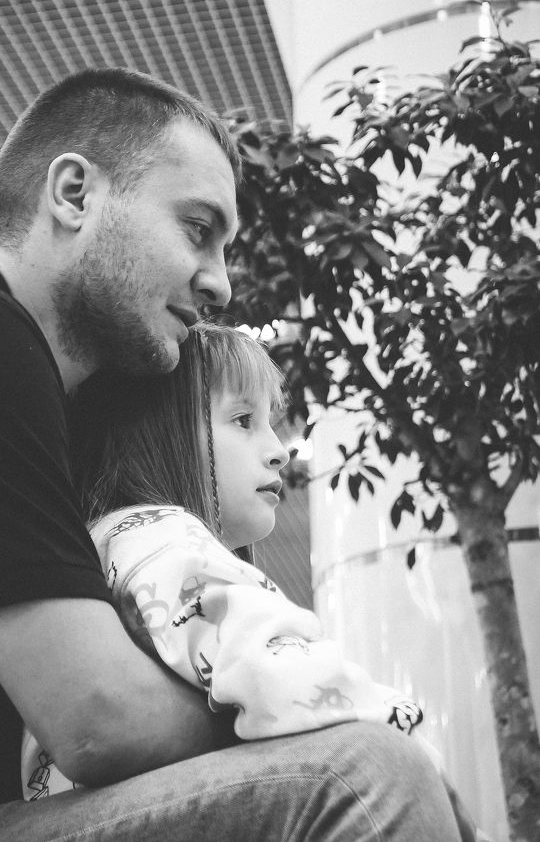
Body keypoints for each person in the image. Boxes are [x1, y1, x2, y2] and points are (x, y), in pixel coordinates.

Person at [0, 66, 467, 842]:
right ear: (74, 194)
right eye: (196, 228)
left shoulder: (46, 395)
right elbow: (99, 719)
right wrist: (298, 715)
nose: (221, 285)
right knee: (366, 774)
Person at [22, 321, 432, 797]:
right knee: (387, 763)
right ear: (160, 433)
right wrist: (414, 746)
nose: (279, 452)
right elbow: (277, 672)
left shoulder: (111, 545)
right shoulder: (161, 537)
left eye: (271, 424)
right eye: (243, 420)